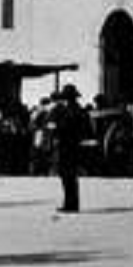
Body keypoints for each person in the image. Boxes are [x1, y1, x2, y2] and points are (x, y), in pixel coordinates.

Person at [49, 84, 90, 213]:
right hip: (73, 145)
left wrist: (56, 129)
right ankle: (72, 203)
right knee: (70, 176)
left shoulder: (64, 110)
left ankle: (70, 204)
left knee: (67, 176)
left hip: (66, 145)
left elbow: (56, 126)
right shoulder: (79, 110)